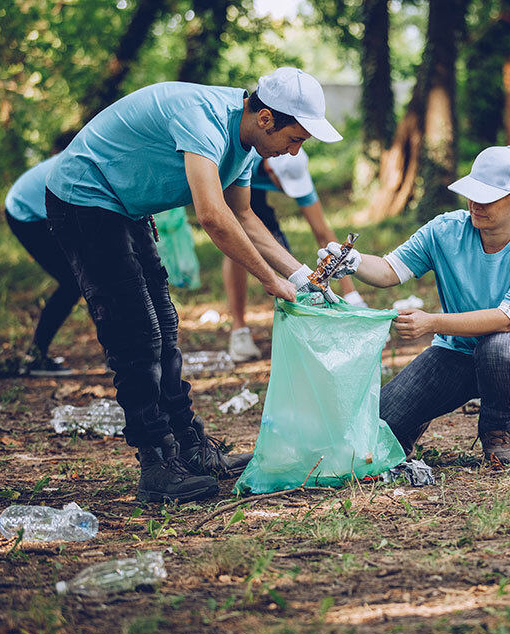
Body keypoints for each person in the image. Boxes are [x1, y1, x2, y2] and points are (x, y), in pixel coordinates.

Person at [44, 67, 342, 503]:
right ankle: (157, 465)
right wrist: (269, 280)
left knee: (164, 323)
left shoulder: (245, 144)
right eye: (295, 139)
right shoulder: (203, 118)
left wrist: (300, 276)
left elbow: (243, 216)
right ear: (266, 119)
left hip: (124, 205)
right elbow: (212, 216)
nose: (295, 152)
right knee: (136, 331)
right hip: (83, 197)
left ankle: (190, 446)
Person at [348, 146, 510, 464]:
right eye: (472, 193)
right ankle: (409, 428)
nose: (475, 204)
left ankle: (496, 433)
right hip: (456, 354)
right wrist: (352, 260)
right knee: (373, 431)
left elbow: (506, 320)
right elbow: (389, 271)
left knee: (497, 347)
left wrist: (432, 322)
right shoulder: (445, 230)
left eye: (488, 197)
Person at [223, 149, 365, 362]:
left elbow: (323, 233)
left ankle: (296, 325)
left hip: (258, 186)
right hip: (239, 185)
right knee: (238, 243)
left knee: (281, 250)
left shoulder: (295, 166)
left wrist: (351, 295)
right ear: (270, 170)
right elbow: (232, 224)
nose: (288, 192)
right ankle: (238, 331)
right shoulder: (244, 160)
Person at [4, 131, 81, 377]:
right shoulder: (78, 164)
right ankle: (35, 357)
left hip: (35, 207)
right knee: (74, 281)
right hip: (25, 212)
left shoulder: (86, 158)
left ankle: (116, 351)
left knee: (84, 277)